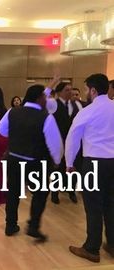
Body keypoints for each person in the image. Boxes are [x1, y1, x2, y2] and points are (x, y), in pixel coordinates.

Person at [0, 84, 63, 241]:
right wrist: (57, 160)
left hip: (13, 159)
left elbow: (1, 129)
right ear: (40, 98)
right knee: (40, 193)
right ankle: (33, 226)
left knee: (13, 193)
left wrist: (15, 135)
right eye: (45, 97)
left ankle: (10, 225)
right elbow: (55, 143)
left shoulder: (13, 112)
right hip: (35, 162)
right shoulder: (46, 117)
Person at [66, 74, 114, 263]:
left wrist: (69, 163)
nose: (85, 93)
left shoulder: (88, 111)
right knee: (111, 204)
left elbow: (73, 137)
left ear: (93, 90)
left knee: (93, 206)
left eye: (86, 89)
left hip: (94, 162)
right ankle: (112, 244)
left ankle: (91, 248)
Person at [51, 82, 80, 204]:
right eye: (67, 90)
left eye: (71, 90)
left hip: (72, 141)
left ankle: (71, 190)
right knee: (57, 168)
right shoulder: (54, 105)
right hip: (58, 140)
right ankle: (55, 193)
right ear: (59, 92)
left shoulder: (76, 105)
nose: (70, 92)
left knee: (72, 166)